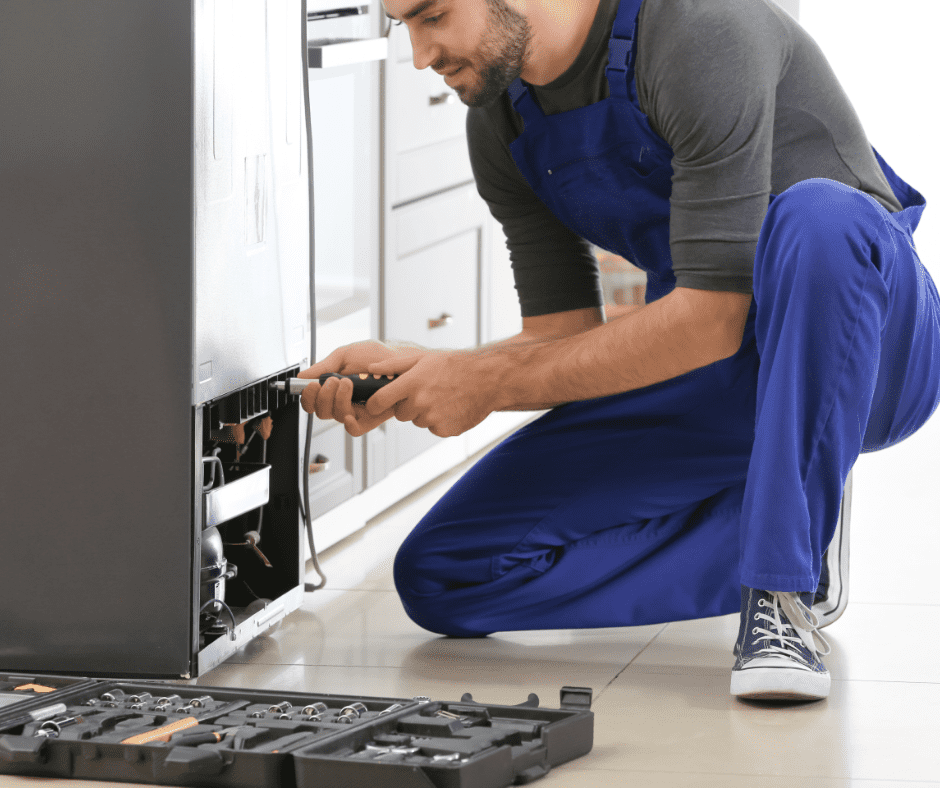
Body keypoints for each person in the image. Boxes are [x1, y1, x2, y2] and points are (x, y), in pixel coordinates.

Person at [297, 0, 940, 702]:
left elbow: (710, 317)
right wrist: (430, 368)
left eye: (433, 16)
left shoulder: (701, 28)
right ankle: (792, 526)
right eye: (405, 27)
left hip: (871, 350)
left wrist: (483, 383)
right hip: (709, 373)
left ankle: (780, 590)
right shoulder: (501, 122)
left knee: (819, 215)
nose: (420, 55)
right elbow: (563, 337)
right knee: (446, 572)